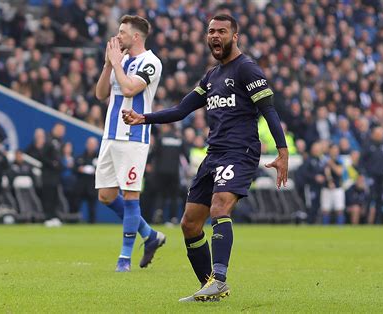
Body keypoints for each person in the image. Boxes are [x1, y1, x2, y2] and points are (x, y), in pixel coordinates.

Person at [123, 14, 288, 302]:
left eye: (222, 31)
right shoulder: (212, 76)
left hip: (240, 152)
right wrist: (143, 118)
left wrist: (282, 151)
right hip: (214, 154)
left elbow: (269, 110)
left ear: (234, 36)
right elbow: (180, 110)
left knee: (220, 206)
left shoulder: (247, 69)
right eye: (211, 31)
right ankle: (210, 286)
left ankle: (220, 279)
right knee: (189, 223)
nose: (215, 36)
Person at [94, 15, 166, 272]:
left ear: (136, 37)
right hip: (110, 135)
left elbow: (128, 89)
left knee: (131, 195)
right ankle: (150, 235)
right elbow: (100, 94)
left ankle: (124, 259)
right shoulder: (119, 60)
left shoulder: (151, 62)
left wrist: (116, 64)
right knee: (105, 195)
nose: (117, 36)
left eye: (122, 32)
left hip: (133, 137)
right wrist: (107, 66)